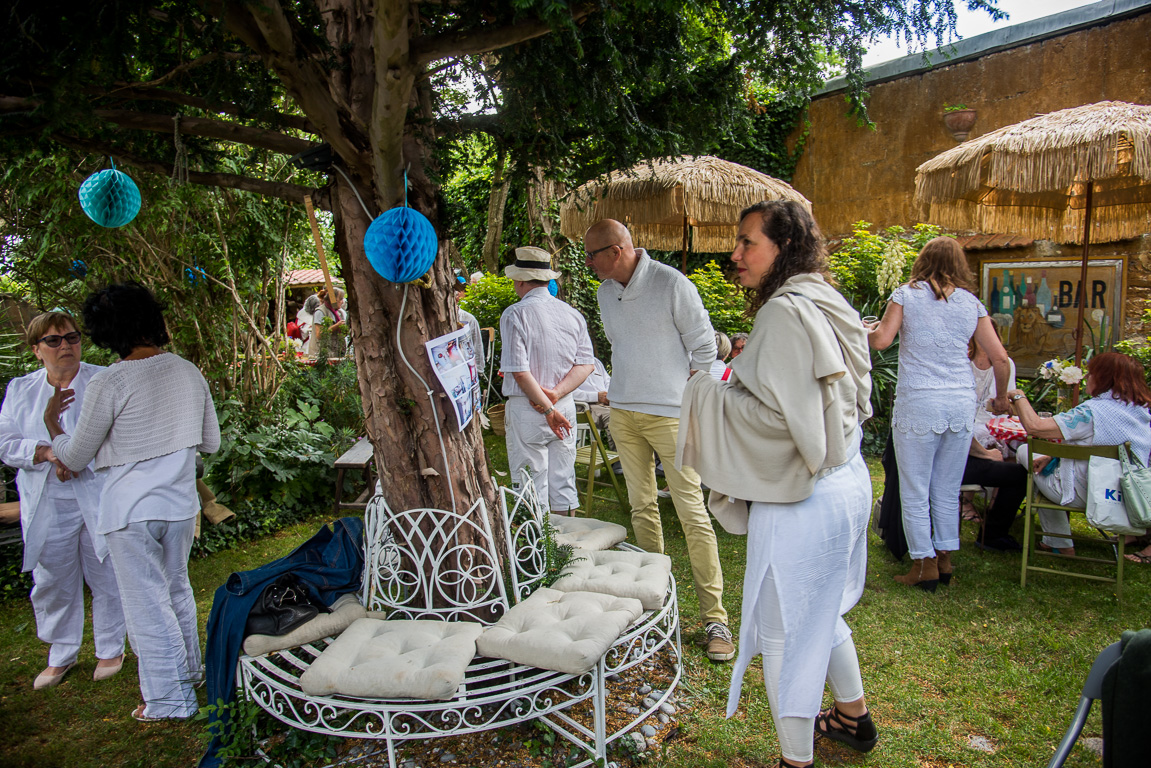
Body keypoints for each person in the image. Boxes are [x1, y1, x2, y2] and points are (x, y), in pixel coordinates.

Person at [677, 200, 877, 768]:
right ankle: (853, 718)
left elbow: (783, 426)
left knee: (784, 629)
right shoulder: (825, 296)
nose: (735, 254)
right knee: (818, 611)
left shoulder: (785, 313)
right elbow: (836, 398)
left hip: (804, 499)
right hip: (847, 482)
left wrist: (705, 389)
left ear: (782, 248)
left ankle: (795, 760)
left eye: (747, 243)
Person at [45, 282, 220, 721]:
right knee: (176, 590)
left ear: (106, 331)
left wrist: (53, 425)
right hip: (179, 506)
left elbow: (76, 454)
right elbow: (211, 443)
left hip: (129, 511)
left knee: (147, 604)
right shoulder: (187, 370)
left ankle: (169, 700)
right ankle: (190, 673)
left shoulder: (110, 381)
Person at [583, 218, 733, 662]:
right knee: (640, 505)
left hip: (670, 414)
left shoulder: (672, 284)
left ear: (619, 249)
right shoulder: (604, 293)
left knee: (691, 511)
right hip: (624, 411)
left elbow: (705, 347)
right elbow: (621, 347)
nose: (588, 262)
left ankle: (715, 617)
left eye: (593, 254)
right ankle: (655, 605)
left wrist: (691, 392)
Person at [868, 237, 1010, 590]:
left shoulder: (906, 294)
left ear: (922, 261)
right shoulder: (971, 303)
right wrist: (1003, 397)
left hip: (919, 401)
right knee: (947, 489)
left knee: (916, 488)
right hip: (959, 403)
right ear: (959, 264)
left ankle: (923, 565)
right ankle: (945, 560)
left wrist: (864, 329)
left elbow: (882, 341)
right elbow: (1001, 358)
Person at [0, 312, 126, 690]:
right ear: (37, 349)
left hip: (96, 490)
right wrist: (46, 452)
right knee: (52, 577)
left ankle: (109, 648)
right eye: (53, 341)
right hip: (47, 498)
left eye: (71, 338)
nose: (65, 346)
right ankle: (61, 652)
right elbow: (6, 443)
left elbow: (118, 434)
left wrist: (74, 456)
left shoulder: (102, 380)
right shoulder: (22, 389)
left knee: (105, 568)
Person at [1008, 351, 1151, 557]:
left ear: (1103, 378)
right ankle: (1056, 541)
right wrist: (1056, 455)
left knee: (1026, 453)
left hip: (1085, 494)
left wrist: (1018, 394)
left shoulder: (1092, 413)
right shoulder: (1139, 412)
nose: (1086, 378)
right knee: (1043, 463)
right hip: (1125, 496)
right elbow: (1106, 445)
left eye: (1091, 374)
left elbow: (1035, 427)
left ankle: (1059, 542)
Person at [499, 247, 595, 514]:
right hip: (563, 405)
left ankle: (539, 551)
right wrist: (556, 395)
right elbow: (586, 364)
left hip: (530, 408)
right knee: (563, 481)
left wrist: (547, 406)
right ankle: (568, 548)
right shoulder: (572, 314)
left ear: (520, 281)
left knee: (531, 483)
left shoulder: (515, 313)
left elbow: (519, 371)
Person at [962, 335, 1028, 552]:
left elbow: (1007, 400)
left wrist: (1005, 404)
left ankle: (996, 509)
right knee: (1018, 473)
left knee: (1013, 448)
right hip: (964, 438)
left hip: (992, 420)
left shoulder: (1005, 364)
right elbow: (960, 429)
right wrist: (987, 455)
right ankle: (983, 522)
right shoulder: (961, 361)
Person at [454, 274, 486, 374]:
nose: (460, 293)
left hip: (467, 371)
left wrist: (479, 371)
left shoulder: (468, 319)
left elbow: (477, 346)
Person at [307, 287, 347, 358]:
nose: (342, 302)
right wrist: (336, 326)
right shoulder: (320, 312)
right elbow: (319, 334)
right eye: (340, 299)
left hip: (335, 353)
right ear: (333, 300)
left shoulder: (339, 313)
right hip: (321, 355)